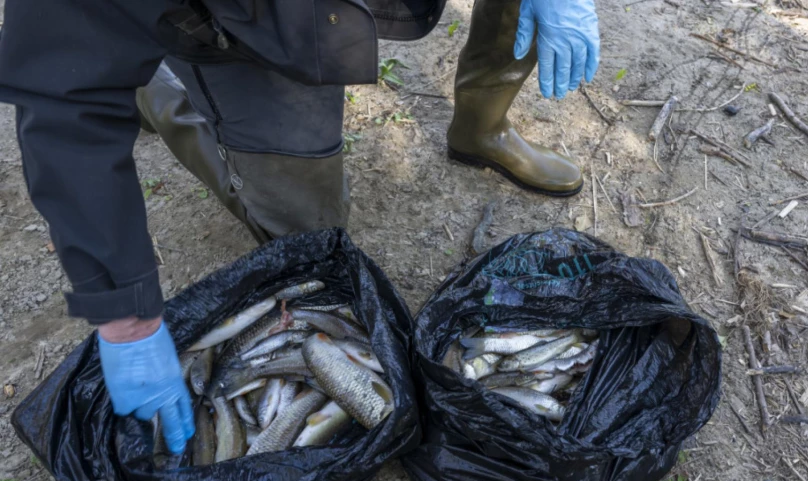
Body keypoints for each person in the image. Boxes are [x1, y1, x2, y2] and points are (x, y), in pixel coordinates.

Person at [0, 0, 600, 455]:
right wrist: (126, 315)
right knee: (306, 233)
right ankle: (154, 85)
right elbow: (63, 95)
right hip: (248, 19)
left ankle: (482, 127)